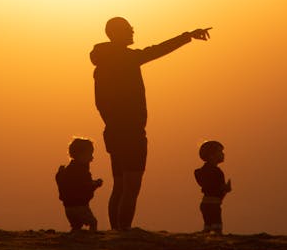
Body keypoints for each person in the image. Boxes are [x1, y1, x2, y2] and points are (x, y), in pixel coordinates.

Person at [90, 17, 212, 231]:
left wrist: (112, 122)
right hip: (131, 131)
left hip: (113, 131)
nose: (133, 31)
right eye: (129, 29)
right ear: (117, 33)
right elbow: (157, 50)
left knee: (119, 184)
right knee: (132, 186)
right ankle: (124, 232)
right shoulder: (126, 58)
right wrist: (187, 36)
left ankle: (116, 231)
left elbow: (100, 103)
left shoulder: (102, 64)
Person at [55, 136, 104, 231]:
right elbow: (86, 186)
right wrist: (96, 184)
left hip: (68, 208)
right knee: (93, 223)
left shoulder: (68, 171)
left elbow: (64, 182)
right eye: (90, 155)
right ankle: (92, 240)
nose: (92, 158)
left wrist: (60, 173)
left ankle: (74, 241)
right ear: (80, 155)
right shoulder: (82, 172)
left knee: (76, 226)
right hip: (80, 207)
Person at [194, 139, 231, 233]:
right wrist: (226, 188)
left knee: (208, 226)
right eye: (220, 152)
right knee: (217, 227)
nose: (223, 154)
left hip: (205, 203)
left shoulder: (201, 171)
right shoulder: (217, 172)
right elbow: (219, 189)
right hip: (214, 204)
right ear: (212, 156)